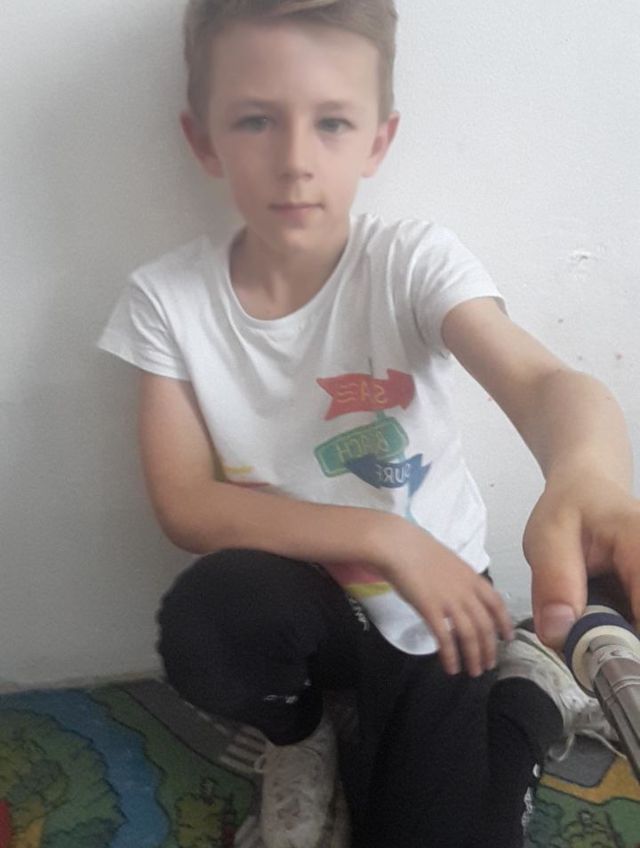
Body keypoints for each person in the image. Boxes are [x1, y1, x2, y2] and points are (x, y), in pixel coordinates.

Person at [98, 1, 640, 846]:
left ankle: (531, 694)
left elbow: (541, 380)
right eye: (255, 120)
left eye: (332, 122)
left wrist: (588, 469)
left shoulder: (411, 262)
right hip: (302, 599)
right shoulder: (166, 301)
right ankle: (299, 735)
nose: (294, 160)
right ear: (203, 140)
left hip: (437, 603)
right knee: (209, 619)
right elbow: (186, 502)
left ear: (377, 141)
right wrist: (382, 536)